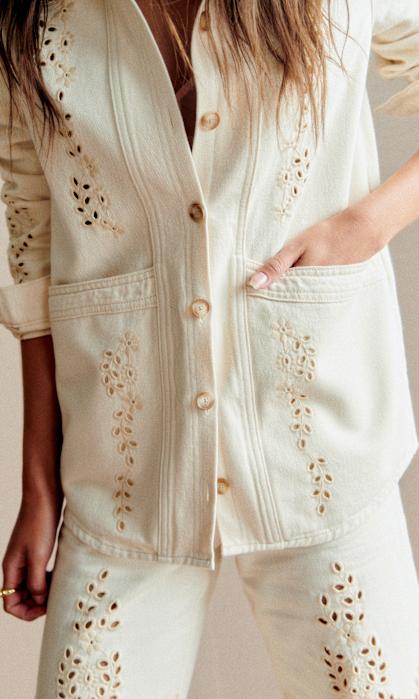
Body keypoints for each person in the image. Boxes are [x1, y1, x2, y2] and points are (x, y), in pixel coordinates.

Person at [0, 0, 419, 696]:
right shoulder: (35, 14)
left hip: (318, 453)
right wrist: (39, 485)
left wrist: (369, 224)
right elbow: (31, 227)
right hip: (125, 472)